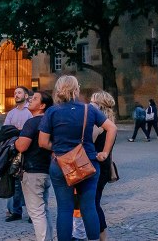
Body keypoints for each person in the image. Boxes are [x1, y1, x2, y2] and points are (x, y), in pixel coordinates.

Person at [39, 75, 117, 241]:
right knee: (88, 207)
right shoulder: (89, 109)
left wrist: (59, 149)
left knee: (64, 209)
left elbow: (43, 142)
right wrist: (104, 152)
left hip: (60, 164)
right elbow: (112, 128)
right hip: (87, 162)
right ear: (76, 89)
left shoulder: (52, 111)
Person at [16, 91, 54, 241]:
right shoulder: (50, 122)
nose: (31, 100)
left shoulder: (32, 122)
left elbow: (22, 146)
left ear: (42, 106)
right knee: (44, 210)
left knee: (37, 213)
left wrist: (15, 142)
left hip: (32, 172)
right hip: (46, 170)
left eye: (35, 98)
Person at [90, 91, 117, 241]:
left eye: (92, 102)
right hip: (104, 167)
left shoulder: (100, 125)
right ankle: (101, 236)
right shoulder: (109, 123)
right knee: (95, 202)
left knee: (93, 203)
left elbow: (89, 139)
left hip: (97, 167)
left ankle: (101, 236)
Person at [3, 86, 32, 222]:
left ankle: (33, 213)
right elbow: (6, 130)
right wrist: (19, 131)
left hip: (29, 150)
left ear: (26, 96)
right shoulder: (11, 113)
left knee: (29, 181)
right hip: (14, 150)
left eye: (19, 92)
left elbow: (31, 130)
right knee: (15, 180)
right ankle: (16, 211)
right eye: (15, 93)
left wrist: (18, 131)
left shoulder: (30, 112)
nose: (16, 95)